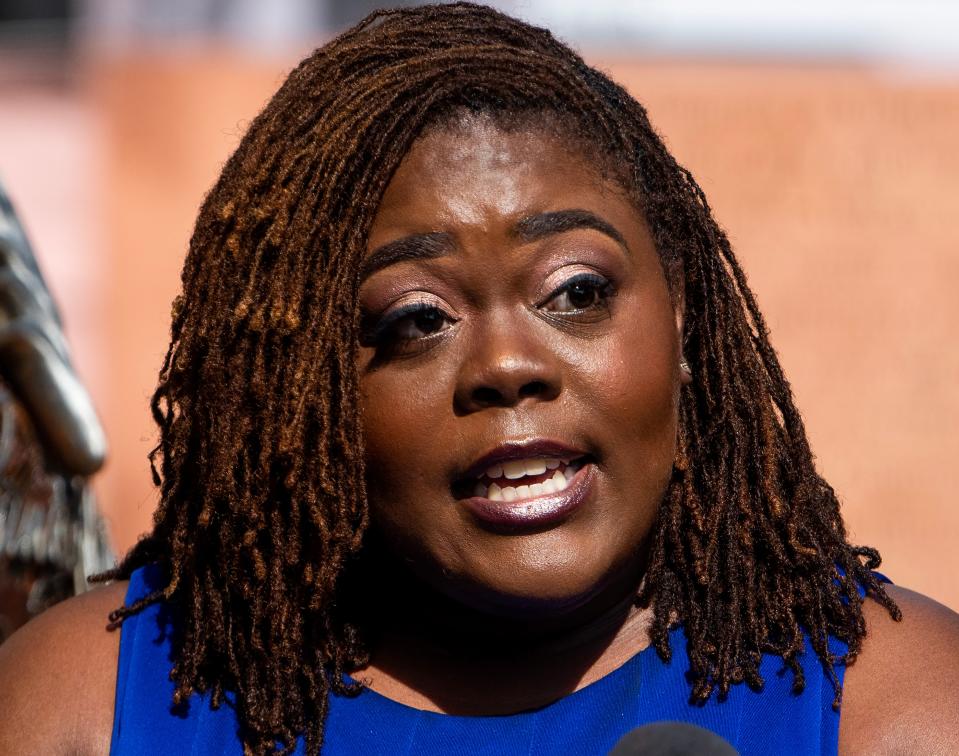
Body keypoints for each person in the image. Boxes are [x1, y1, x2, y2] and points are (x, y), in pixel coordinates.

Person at [1, 3, 958, 754]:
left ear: (684, 322)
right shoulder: (90, 712)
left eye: (575, 291)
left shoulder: (894, 709)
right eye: (417, 320)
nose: (508, 366)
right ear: (295, 394)